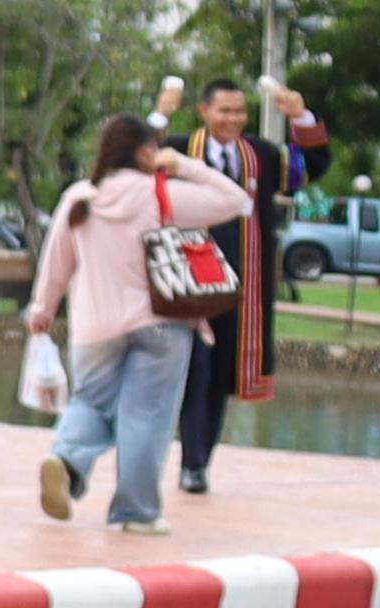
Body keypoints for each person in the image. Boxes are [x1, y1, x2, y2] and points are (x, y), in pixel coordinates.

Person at [24, 112, 254, 535]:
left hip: (94, 327)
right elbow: (237, 199)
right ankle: (136, 512)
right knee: (145, 416)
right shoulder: (163, 194)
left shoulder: (80, 197)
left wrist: (41, 311)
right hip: (161, 323)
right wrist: (183, 165)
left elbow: (56, 262)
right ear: (146, 151)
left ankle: (67, 459)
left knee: (90, 401)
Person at [167, 73, 323, 496]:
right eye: (225, 111)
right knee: (188, 370)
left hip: (241, 288)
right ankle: (178, 460)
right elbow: (130, 157)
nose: (234, 119)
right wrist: (160, 113)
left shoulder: (262, 155)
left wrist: (301, 118)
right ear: (204, 112)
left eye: (240, 111)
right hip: (185, 282)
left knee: (217, 376)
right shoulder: (179, 151)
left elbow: (311, 170)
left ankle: (196, 465)